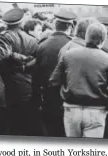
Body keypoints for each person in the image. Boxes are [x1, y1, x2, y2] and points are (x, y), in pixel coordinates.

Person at [49, 22, 108, 138]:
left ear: (86, 37)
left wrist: (66, 92)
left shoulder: (68, 55)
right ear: (103, 40)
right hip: (96, 110)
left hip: (71, 108)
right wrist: (107, 104)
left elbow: (53, 81)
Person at [0, 8, 44, 136]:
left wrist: (17, 64)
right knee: (26, 118)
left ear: (6, 23)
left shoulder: (4, 37)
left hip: (8, 83)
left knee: (12, 120)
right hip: (28, 83)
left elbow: (2, 56)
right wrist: (25, 66)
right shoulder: (32, 39)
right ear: (21, 23)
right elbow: (37, 61)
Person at [34, 8, 77, 137]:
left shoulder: (42, 45)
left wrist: (36, 99)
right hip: (69, 98)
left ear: (55, 25)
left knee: (52, 132)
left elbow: (36, 76)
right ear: (70, 26)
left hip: (48, 97)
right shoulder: (74, 45)